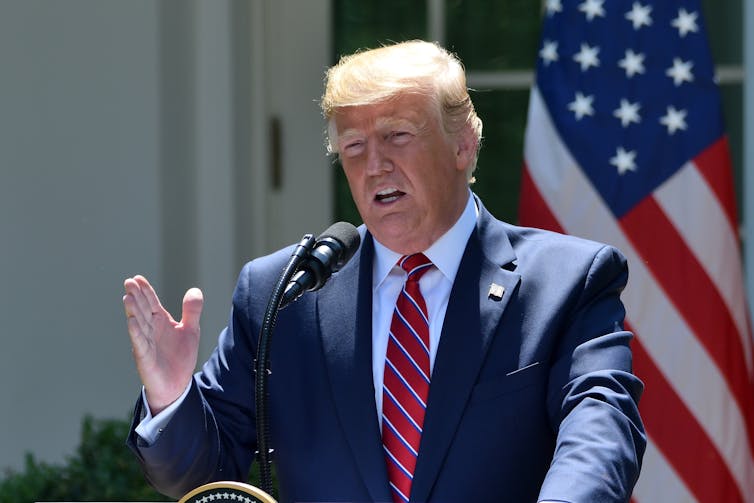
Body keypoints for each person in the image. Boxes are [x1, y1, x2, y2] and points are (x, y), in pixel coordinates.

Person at [123, 40, 645, 503]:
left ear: (463, 145)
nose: (374, 165)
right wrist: (172, 398)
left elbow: (601, 434)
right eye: (353, 147)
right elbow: (203, 474)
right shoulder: (282, 293)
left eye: (397, 135)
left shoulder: (567, 282)